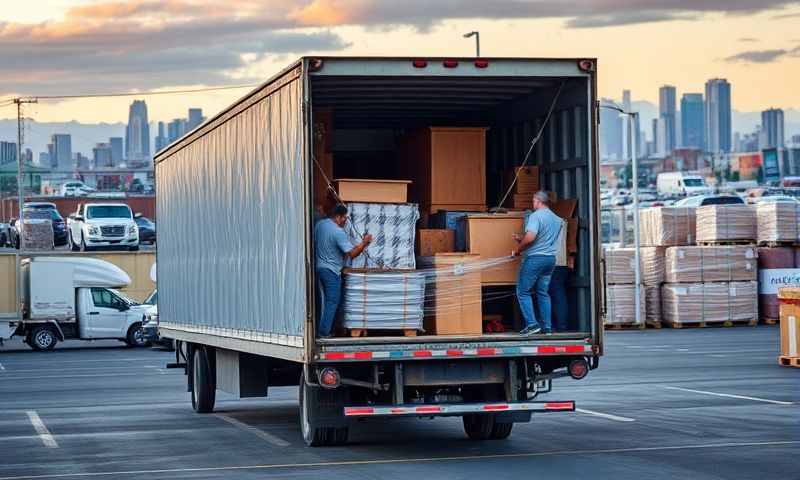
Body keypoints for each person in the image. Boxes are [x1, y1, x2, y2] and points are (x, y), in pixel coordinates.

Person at [314, 204, 372, 338]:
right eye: (344, 218)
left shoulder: (320, 225)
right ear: (338, 217)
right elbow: (352, 254)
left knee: (324, 301)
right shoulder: (338, 232)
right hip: (331, 271)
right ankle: (324, 332)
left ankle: (332, 329)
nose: (346, 221)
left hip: (320, 268)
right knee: (332, 301)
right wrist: (364, 243)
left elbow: (331, 247)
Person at [512, 191, 563, 335]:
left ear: (538, 201)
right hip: (550, 260)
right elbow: (543, 238)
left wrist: (518, 249)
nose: (533, 204)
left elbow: (530, 238)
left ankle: (532, 324)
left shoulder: (535, 216)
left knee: (523, 291)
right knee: (543, 292)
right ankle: (546, 327)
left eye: (533, 201)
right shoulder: (557, 219)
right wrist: (521, 238)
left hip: (535, 259)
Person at [548, 216, 570, 332]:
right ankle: (562, 326)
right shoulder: (562, 221)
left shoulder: (539, 221)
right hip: (562, 262)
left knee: (543, 295)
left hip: (548, 262)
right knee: (559, 294)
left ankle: (548, 326)